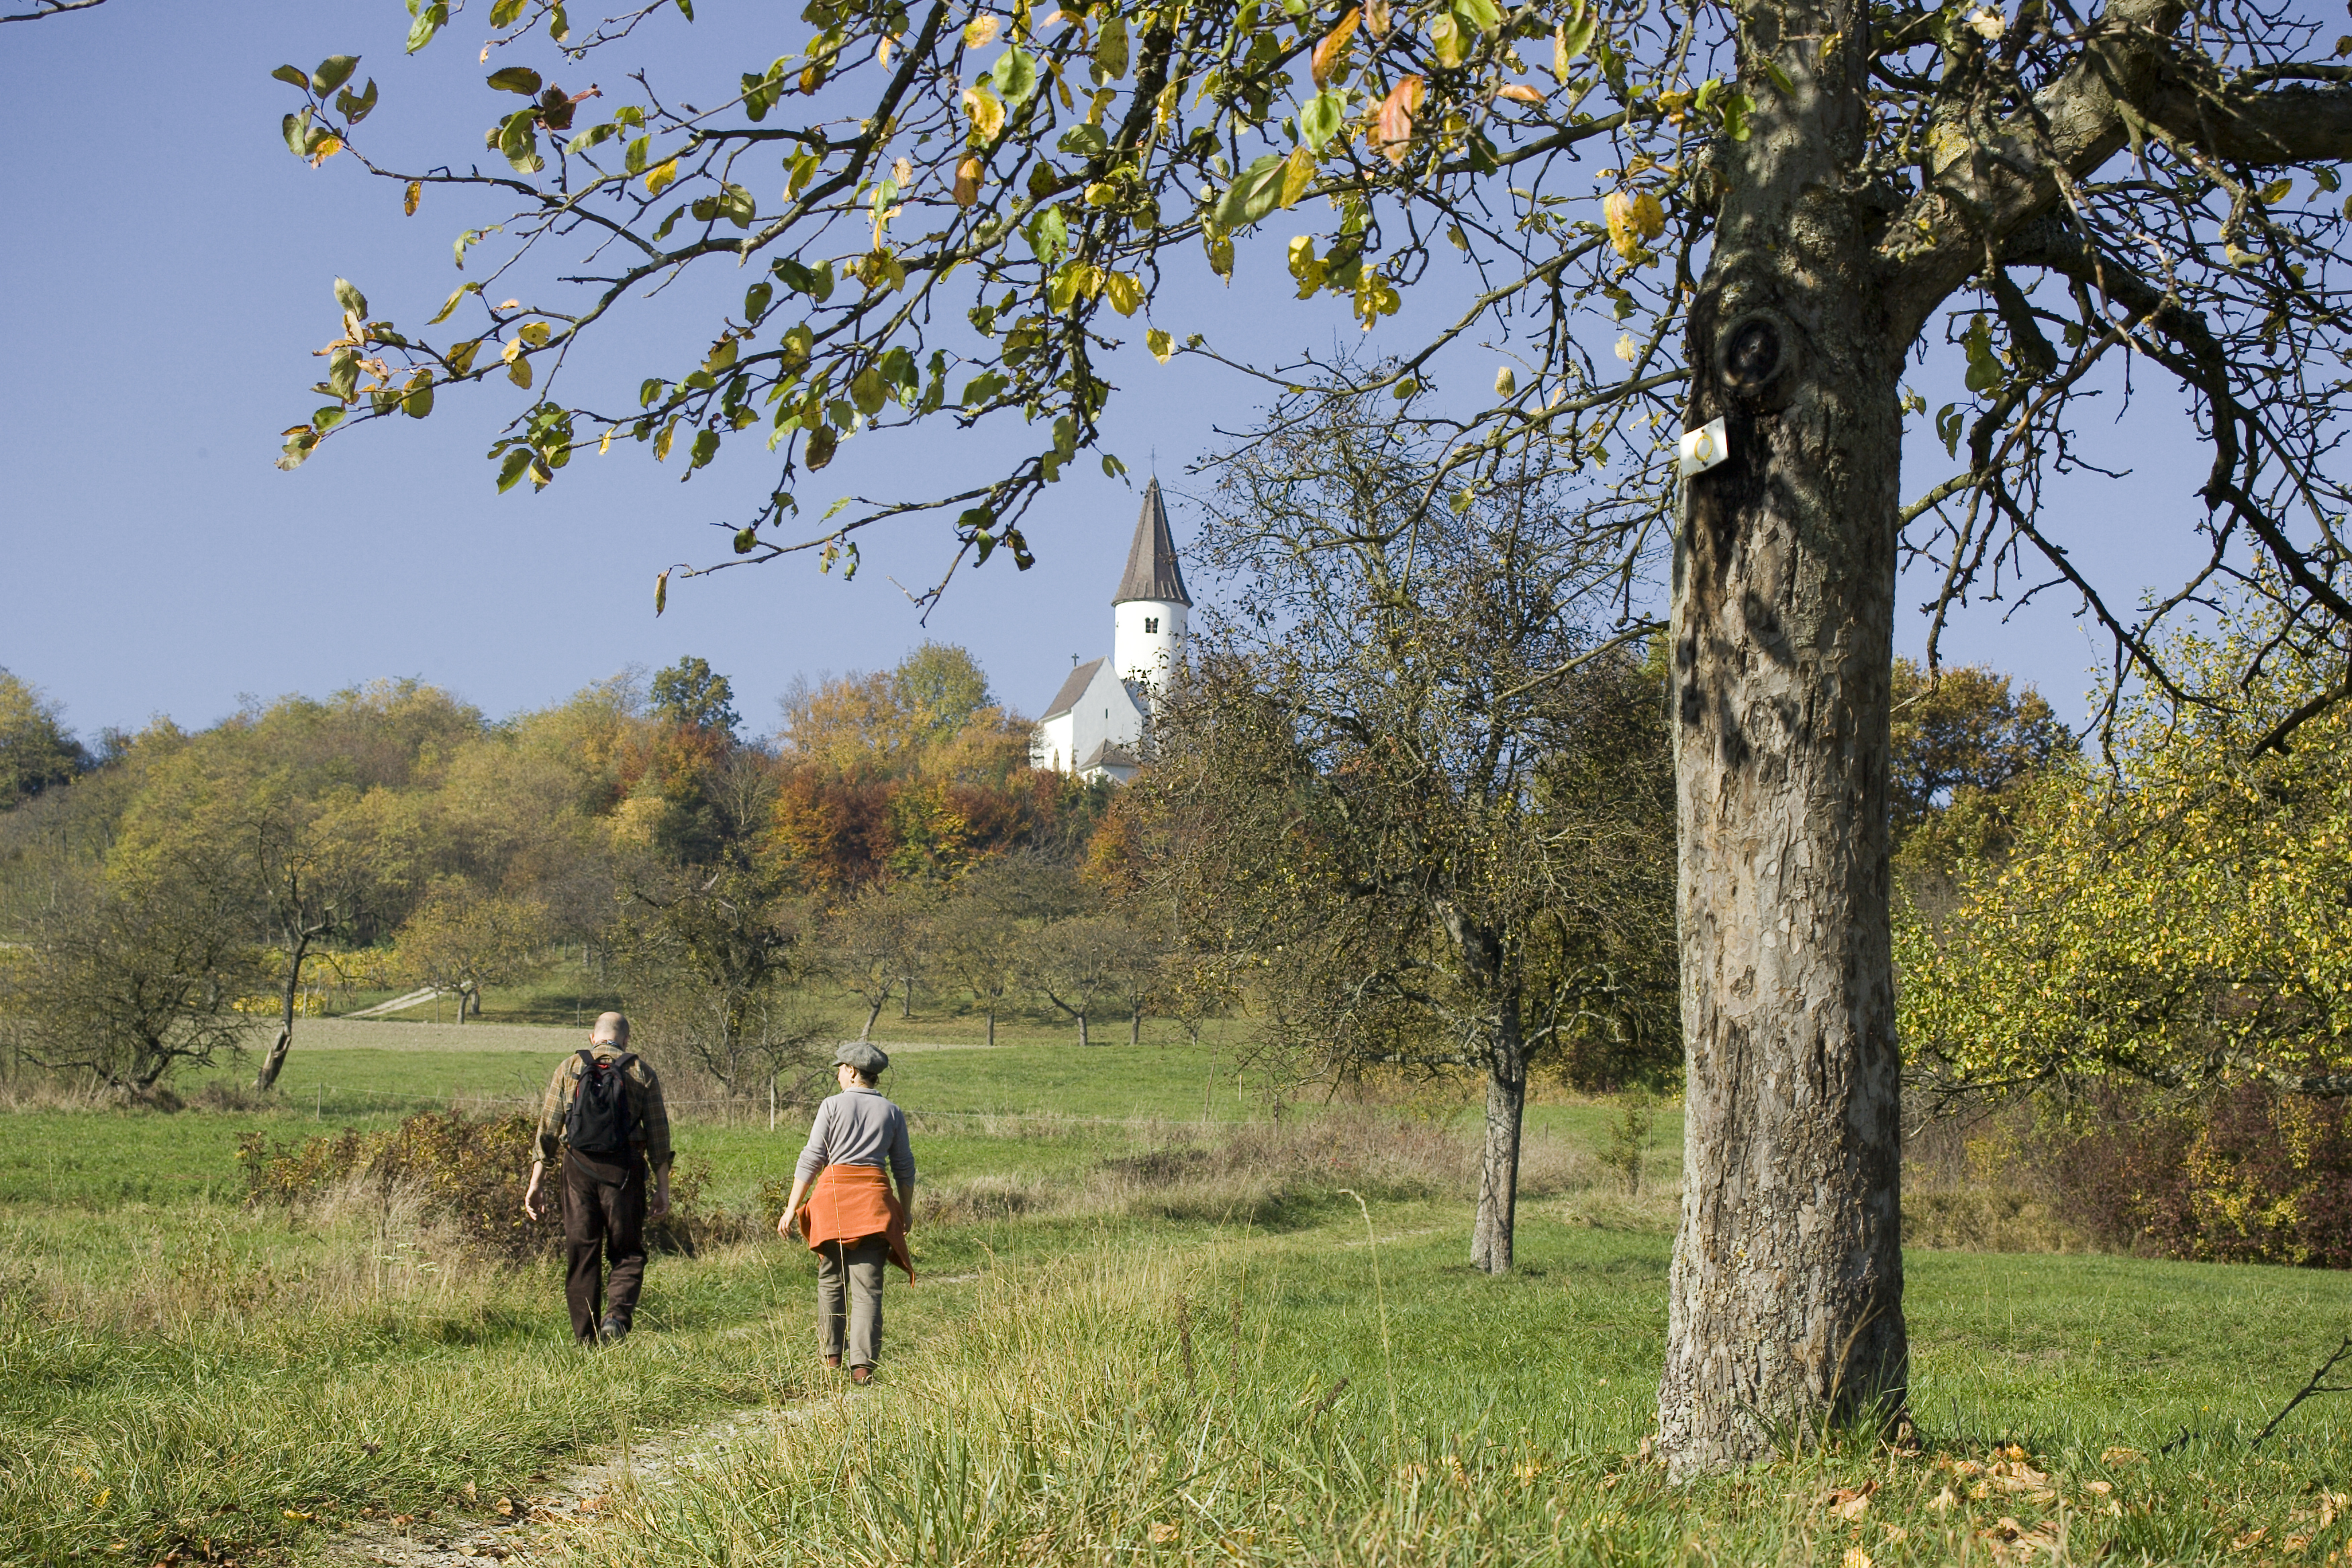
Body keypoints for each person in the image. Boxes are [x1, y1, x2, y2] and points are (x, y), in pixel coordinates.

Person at [523, 1012, 672, 1345]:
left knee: (582, 1251)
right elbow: (659, 1137)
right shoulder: (640, 1072)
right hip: (624, 1171)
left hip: (578, 1169)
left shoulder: (569, 1068)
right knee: (627, 1251)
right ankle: (616, 1319)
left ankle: (585, 1340)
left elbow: (548, 1129)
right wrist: (663, 1189)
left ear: (593, 1037)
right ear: (627, 1040)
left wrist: (536, 1183)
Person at [779, 1040, 915, 1383]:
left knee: (830, 1280)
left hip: (833, 1203)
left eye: (840, 1068)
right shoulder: (893, 1112)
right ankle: (863, 1369)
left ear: (852, 1071)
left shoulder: (831, 1106)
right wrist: (906, 1211)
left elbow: (812, 1158)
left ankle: (831, 1357)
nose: (839, 1074)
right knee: (868, 1288)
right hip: (874, 1205)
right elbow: (904, 1167)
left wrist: (792, 1206)